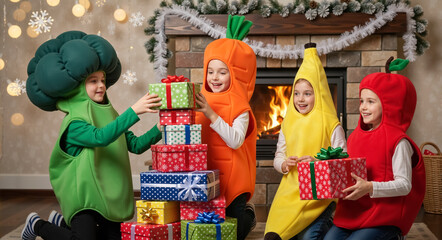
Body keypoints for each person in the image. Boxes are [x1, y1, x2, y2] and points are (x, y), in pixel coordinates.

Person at [21, 31, 163, 240]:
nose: (101, 86)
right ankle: (38, 225)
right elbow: (100, 137)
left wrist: (162, 127)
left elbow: (135, 144)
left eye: (103, 80)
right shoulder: (74, 123)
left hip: (109, 194)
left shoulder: (109, 114)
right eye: (93, 81)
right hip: (85, 196)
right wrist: (134, 111)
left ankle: (62, 225)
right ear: (78, 86)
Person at [323, 58, 426, 240]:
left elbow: (405, 185)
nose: (363, 107)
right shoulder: (355, 136)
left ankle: (393, 236)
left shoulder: (399, 141)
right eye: (362, 100)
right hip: (353, 213)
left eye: (371, 101)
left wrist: (370, 187)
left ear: (389, 104)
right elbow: (348, 170)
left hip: (384, 217)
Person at [264, 43, 347, 240]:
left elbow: (344, 162)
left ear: (319, 94)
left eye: (308, 94)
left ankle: (326, 223)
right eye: (297, 93)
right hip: (291, 191)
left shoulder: (331, 124)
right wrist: (284, 164)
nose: (301, 99)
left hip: (320, 196)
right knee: (274, 234)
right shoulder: (288, 123)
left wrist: (318, 165)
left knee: (308, 236)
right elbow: (278, 156)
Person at [195, 15, 257, 240]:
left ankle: (248, 218)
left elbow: (235, 140)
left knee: (235, 229)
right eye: (210, 71)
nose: (215, 77)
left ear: (237, 74)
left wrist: (210, 114)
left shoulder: (240, 108)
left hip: (234, 180)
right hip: (205, 178)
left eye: (222, 72)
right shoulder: (201, 100)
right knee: (206, 227)